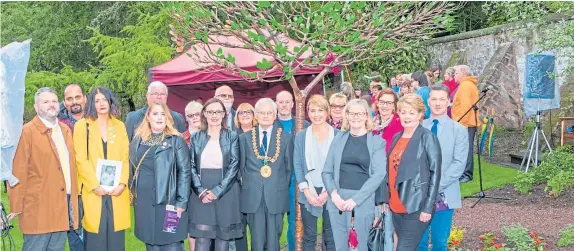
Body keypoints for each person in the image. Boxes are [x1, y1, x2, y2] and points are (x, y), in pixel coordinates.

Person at [8, 87, 80, 251]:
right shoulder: (27, 132)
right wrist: (15, 205)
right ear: (36, 107)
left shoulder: (65, 130)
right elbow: (18, 170)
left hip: (62, 207)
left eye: (54, 101)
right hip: (38, 210)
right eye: (46, 102)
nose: (51, 105)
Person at [321, 99, 389, 251]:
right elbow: (326, 171)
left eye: (360, 113)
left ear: (366, 116)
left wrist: (356, 200)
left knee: (362, 245)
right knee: (340, 246)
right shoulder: (338, 138)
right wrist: (334, 195)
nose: (356, 117)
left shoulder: (377, 142)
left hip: (363, 199)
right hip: (337, 200)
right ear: (347, 116)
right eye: (352, 113)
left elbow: (379, 174)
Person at [382, 93, 441, 251]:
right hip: (395, 204)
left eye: (411, 112)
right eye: (403, 112)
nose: (406, 116)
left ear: (420, 114)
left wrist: (428, 207)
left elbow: (435, 173)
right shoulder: (396, 137)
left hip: (416, 206)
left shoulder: (427, 138)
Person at [129, 101, 192, 251]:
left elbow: (185, 172)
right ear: (148, 117)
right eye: (155, 114)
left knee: (172, 244)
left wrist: (181, 202)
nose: (159, 117)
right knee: (151, 244)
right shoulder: (137, 140)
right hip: (144, 204)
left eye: (163, 114)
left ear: (167, 118)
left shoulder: (176, 141)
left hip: (169, 204)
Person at [73, 87, 130, 251]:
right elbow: (80, 159)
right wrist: (94, 185)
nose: (101, 104)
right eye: (96, 101)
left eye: (104, 99)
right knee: (95, 240)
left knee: (116, 241)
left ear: (110, 101)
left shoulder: (119, 126)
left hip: (116, 192)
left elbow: (125, 158)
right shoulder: (82, 126)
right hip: (94, 192)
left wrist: (122, 184)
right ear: (91, 104)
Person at [238, 98, 294, 251]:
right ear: (256, 115)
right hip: (253, 196)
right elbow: (241, 168)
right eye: (262, 112)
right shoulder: (244, 139)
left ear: (275, 115)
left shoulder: (285, 138)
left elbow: (288, 169)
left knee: (274, 238)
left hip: (275, 195)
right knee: (256, 239)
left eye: (269, 112)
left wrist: (277, 185)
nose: (265, 116)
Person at [188, 98, 242, 251]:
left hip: (225, 192)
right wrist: (201, 191)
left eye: (218, 111)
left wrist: (218, 190)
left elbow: (234, 165)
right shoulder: (196, 137)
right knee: (202, 241)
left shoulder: (231, 136)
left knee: (222, 241)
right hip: (201, 193)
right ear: (204, 113)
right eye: (210, 111)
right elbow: (190, 166)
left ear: (224, 114)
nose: (214, 115)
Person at [419, 84, 469, 251]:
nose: (438, 103)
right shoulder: (418, 128)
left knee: (440, 243)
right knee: (419, 242)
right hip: (419, 195)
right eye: (434, 99)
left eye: (442, 99)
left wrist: (433, 187)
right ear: (428, 101)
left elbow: (458, 164)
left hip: (444, 195)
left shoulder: (459, 130)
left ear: (448, 102)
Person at [293, 95, 337, 251]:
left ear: (327, 112)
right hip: (309, 190)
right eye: (312, 110)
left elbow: (339, 167)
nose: (316, 114)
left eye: (320, 110)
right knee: (309, 236)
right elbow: (298, 164)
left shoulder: (338, 135)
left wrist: (328, 192)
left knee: (331, 236)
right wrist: (307, 192)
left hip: (331, 191)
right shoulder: (301, 136)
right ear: (307, 112)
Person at [274, 90, 309, 251]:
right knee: (275, 223)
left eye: (287, 101)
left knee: (296, 222)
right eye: (281, 102)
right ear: (276, 104)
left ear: (293, 104)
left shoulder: (304, 125)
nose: (284, 105)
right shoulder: (270, 125)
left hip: (297, 181)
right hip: (276, 182)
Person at [57, 83, 86, 251]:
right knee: (74, 232)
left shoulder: (96, 121)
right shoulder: (58, 125)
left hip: (94, 187)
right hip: (70, 189)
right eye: (70, 99)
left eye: (77, 97)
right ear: (64, 102)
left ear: (84, 98)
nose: (74, 102)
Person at [452, 65, 480, 183]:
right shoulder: (468, 85)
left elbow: (466, 106)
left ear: (463, 73)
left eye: (456, 73)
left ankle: (466, 174)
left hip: (465, 123)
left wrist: (462, 124)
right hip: (466, 122)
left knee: (465, 149)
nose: (454, 75)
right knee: (464, 148)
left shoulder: (465, 86)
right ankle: (464, 173)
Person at [372, 88, 403, 153]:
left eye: (389, 103)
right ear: (377, 103)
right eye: (382, 102)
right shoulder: (370, 123)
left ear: (394, 106)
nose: (385, 105)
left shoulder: (400, 125)